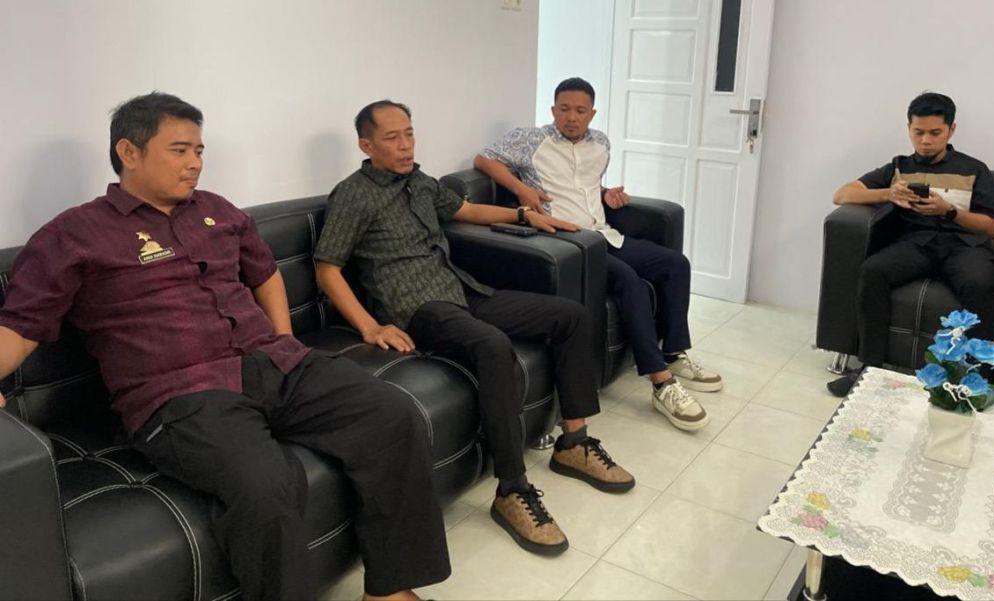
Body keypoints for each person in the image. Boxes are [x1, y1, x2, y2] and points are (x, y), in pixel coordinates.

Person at [0, 92, 450, 601]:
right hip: (180, 394)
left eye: (199, 150)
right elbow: (21, 325)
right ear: (129, 152)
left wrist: (284, 339)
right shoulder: (74, 234)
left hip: (272, 363)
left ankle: (389, 591)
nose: (195, 162)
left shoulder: (217, 211)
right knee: (267, 483)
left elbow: (265, 275)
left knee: (392, 414)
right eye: (179, 150)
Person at [314, 99, 636, 557]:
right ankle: (512, 489)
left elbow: (465, 210)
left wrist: (522, 215)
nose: (405, 145)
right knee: (492, 345)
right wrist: (369, 327)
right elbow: (327, 267)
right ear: (366, 145)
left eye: (409, 133)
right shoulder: (352, 194)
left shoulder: (421, 183)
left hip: (463, 292)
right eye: (392, 138)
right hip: (417, 309)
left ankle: (574, 442)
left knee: (571, 316)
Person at [473, 76, 722, 433]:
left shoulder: (601, 143)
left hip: (605, 234)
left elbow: (583, 184)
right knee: (629, 281)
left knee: (674, 264)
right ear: (553, 110)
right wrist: (521, 188)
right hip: (569, 244)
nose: (571, 117)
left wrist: (606, 195)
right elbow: (484, 159)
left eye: (580, 111)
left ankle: (673, 352)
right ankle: (661, 382)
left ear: (592, 114)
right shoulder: (529, 139)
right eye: (564, 109)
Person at [827, 92, 994, 397]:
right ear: (908, 128)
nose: (925, 141)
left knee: (979, 283)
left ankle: (977, 382)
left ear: (951, 130)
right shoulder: (899, 167)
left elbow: (991, 226)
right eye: (918, 132)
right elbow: (841, 195)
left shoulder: (973, 169)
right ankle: (869, 369)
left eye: (935, 133)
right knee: (873, 271)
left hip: (964, 245)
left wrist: (949, 211)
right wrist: (888, 193)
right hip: (917, 244)